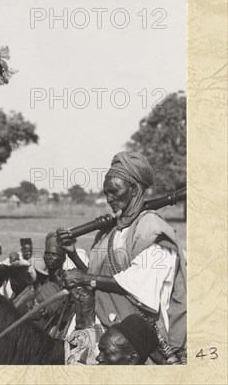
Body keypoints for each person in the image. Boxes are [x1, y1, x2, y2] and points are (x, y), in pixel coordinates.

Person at [58, 151, 187, 364]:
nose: (109, 199)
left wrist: (82, 278)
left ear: (134, 189)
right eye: (106, 192)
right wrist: (73, 252)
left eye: (115, 191)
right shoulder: (109, 232)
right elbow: (95, 279)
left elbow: (136, 286)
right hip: (106, 340)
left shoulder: (152, 230)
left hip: (139, 349)